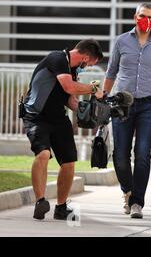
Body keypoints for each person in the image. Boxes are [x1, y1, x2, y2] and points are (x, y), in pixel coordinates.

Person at [103, 2, 151, 219]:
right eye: (143, 16)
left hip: (149, 104)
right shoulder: (122, 41)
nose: (147, 20)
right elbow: (111, 71)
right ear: (135, 17)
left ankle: (137, 203)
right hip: (122, 103)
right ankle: (127, 191)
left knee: (142, 153)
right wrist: (102, 99)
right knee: (120, 155)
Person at [22, 39, 104, 220]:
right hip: (36, 116)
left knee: (68, 163)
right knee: (43, 154)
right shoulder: (57, 58)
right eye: (90, 63)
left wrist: (90, 114)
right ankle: (40, 201)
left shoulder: (72, 71)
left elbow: (70, 99)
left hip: (58, 119)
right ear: (85, 56)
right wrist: (93, 89)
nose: (88, 67)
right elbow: (68, 86)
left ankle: (60, 207)